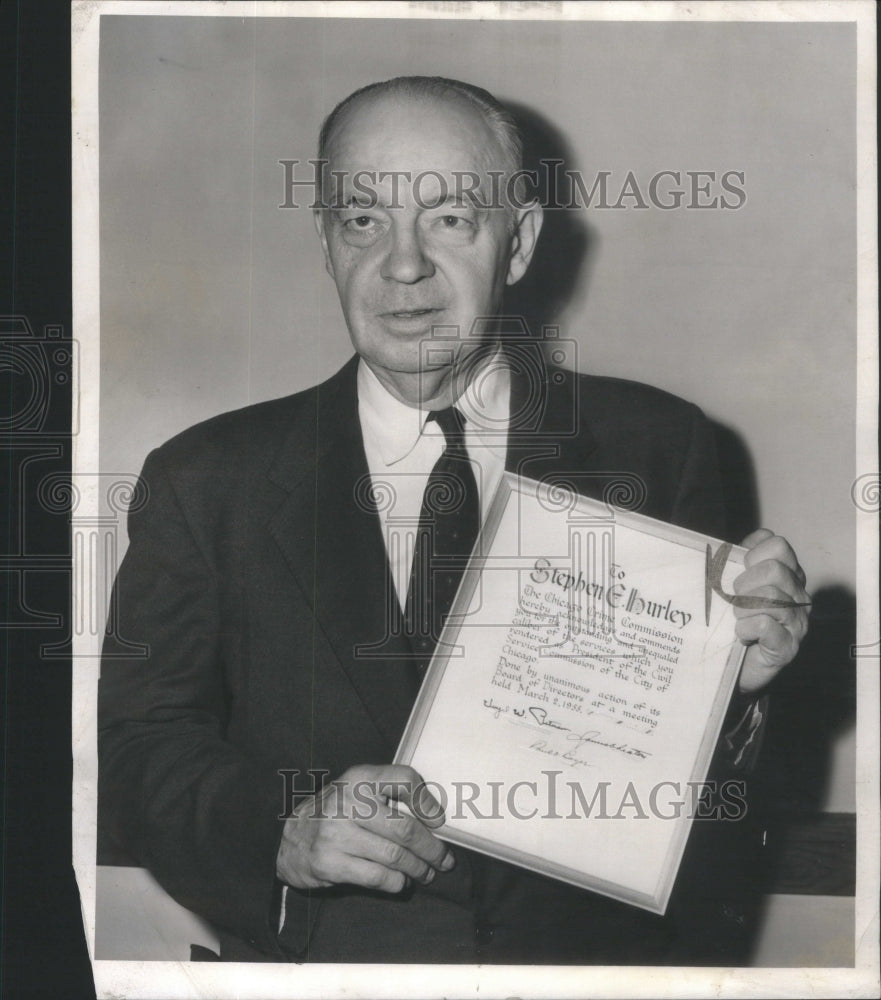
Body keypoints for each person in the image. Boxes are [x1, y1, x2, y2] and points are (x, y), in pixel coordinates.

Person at [98, 76, 810, 965]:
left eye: (449, 218)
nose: (402, 266)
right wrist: (280, 832)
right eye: (362, 219)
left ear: (520, 244)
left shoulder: (657, 446)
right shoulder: (207, 479)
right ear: (324, 242)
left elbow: (696, 804)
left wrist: (734, 688)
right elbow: (138, 748)